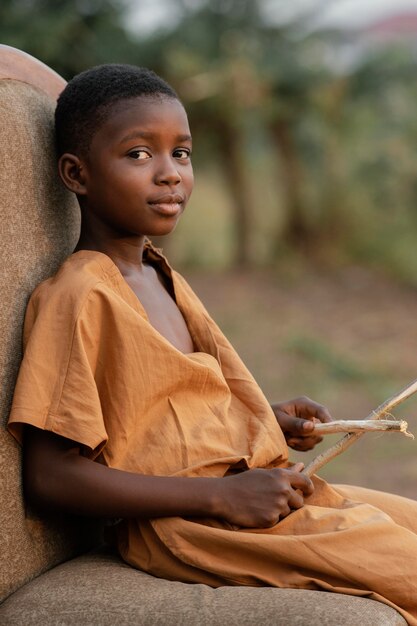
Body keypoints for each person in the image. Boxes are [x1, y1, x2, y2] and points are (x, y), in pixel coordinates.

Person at [7, 64, 417, 625]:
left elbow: (164, 412)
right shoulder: (78, 295)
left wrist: (264, 420)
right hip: (194, 525)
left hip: (245, 499)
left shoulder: (156, 273)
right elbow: (51, 475)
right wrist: (220, 498)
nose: (170, 174)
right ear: (77, 174)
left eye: (181, 153)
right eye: (138, 154)